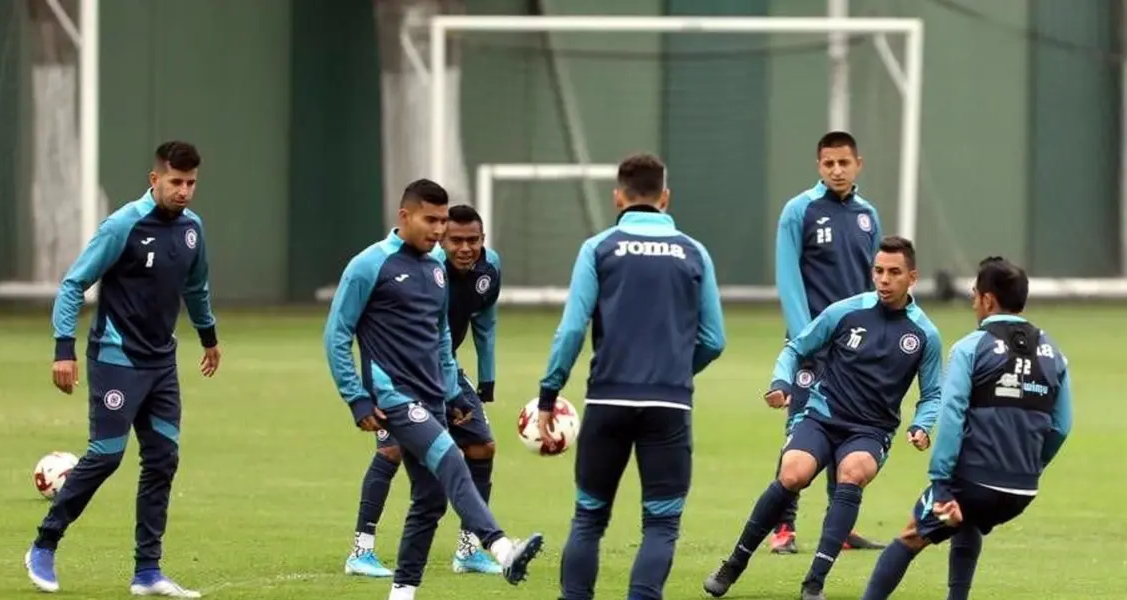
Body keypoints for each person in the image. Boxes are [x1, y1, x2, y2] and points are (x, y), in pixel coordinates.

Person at [324, 179, 541, 600]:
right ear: (404, 216)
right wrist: (356, 396)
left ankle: (402, 593)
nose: (439, 230)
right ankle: (501, 548)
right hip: (394, 396)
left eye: (443, 220)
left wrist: (455, 393)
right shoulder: (370, 265)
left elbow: (441, 336)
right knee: (453, 460)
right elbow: (337, 333)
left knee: (429, 501)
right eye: (431, 220)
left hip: (433, 397)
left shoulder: (436, 268)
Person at [25, 141, 221, 598]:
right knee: (107, 456)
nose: (185, 192)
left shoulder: (193, 229)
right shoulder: (123, 226)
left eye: (191, 183)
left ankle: (147, 571)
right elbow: (75, 283)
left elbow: (196, 286)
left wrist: (209, 337)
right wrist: (63, 349)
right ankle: (44, 543)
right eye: (176, 182)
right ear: (155, 180)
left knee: (163, 459)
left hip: (162, 362)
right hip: (117, 358)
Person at [704, 236, 942, 600]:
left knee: (853, 472)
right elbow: (796, 348)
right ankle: (733, 564)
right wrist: (781, 383)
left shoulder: (924, 334)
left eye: (894, 272)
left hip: (870, 430)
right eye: (878, 271)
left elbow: (933, 394)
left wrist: (921, 425)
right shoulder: (845, 311)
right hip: (822, 416)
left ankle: (814, 582)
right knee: (792, 473)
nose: (883, 279)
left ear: (912, 277)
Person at [536, 153, 726, 600]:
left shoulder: (599, 248)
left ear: (618, 196)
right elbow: (714, 338)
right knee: (660, 524)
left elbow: (571, 331)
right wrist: (678, 370)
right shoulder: (693, 252)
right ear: (666, 196)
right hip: (669, 406)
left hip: (607, 402)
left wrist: (549, 393)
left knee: (588, 518)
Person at [860, 256, 1074, 600]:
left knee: (911, 536)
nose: (973, 302)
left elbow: (952, 413)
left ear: (988, 300)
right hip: (1022, 490)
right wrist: (1031, 465)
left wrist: (942, 484)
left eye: (975, 295)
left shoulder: (971, 347)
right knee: (968, 520)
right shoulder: (1053, 352)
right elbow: (1062, 426)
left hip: (973, 483)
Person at [344, 204, 505, 577]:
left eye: (474, 241)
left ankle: (469, 550)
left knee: (481, 446)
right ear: (440, 240)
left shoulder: (490, 267)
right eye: (455, 241)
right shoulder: (419, 265)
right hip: (400, 376)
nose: (465, 249)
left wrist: (486, 381)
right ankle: (360, 551)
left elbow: (485, 322)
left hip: (444, 372)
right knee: (392, 448)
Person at [772, 130, 885, 554]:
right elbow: (788, 279)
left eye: (844, 163)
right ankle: (783, 529)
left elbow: (875, 284)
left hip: (854, 347)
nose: (837, 170)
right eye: (828, 164)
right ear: (819, 166)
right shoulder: (799, 211)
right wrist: (808, 340)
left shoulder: (868, 216)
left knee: (850, 430)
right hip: (810, 347)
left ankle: (839, 531)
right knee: (801, 431)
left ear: (859, 164)